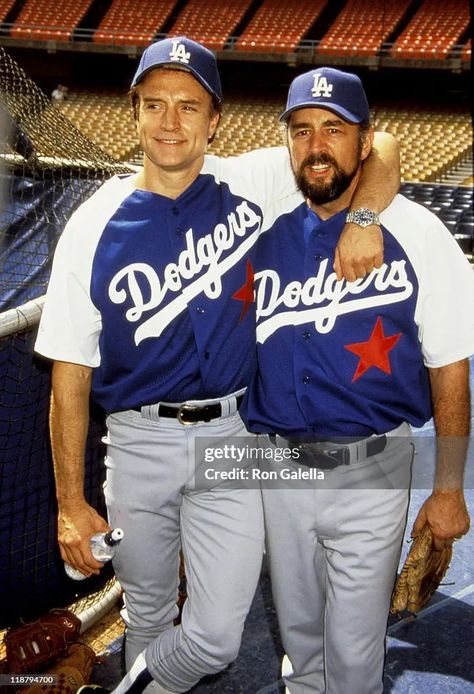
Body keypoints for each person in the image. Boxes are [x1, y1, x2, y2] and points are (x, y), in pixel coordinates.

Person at [35, 40, 400, 694]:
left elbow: (383, 146)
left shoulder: (252, 179)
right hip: (137, 444)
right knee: (146, 613)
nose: (170, 122)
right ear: (135, 114)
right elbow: (69, 376)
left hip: (231, 438)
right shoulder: (93, 227)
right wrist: (69, 501)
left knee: (215, 635)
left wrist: (364, 217)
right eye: (155, 105)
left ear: (214, 120)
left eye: (188, 106)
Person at [242, 67, 474, 694]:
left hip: (375, 465)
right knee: (303, 646)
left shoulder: (420, 234)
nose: (317, 145)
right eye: (303, 130)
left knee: (353, 659)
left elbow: (450, 366)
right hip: (277, 468)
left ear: (365, 141)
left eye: (335, 130)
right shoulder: (258, 230)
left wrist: (449, 488)